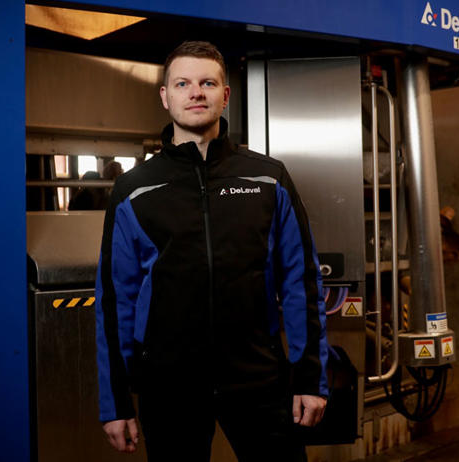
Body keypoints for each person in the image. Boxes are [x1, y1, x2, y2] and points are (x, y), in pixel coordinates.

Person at [95, 41, 328, 462]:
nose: (196, 93)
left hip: (259, 379)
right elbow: (115, 300)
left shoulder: (268, 178)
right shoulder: (134, 190)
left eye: (207, 83)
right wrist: (116, 402)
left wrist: (310, 377)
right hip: (169, 386)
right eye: (182, 83)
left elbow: (301, 283)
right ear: (165, 96)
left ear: (225, 95)